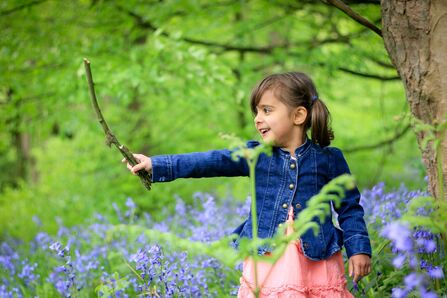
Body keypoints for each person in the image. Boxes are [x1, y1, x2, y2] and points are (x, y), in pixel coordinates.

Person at [122, 72, 372, 297]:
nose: (257, 119)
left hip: (317, 260)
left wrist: (359, 248)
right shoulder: (257, 155)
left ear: (298, 115)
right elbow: (209, 162)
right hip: (267, 257)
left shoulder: (329, 158)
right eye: (256, 112)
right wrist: (157, 165)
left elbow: (350, 208)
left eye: (266, 110)